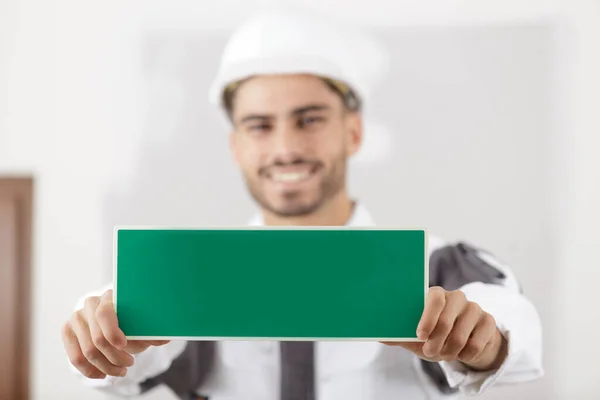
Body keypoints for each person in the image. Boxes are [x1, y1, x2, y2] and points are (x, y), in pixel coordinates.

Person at [62, 8, 543, 400]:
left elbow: (504, 317)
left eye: (309, 119)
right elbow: (126, 366)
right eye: (259, 125)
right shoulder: (190, 275)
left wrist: (482, 338)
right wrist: (105, 339)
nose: (286, 148)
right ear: (236, 147)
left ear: (352, 132)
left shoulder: (434, 266)